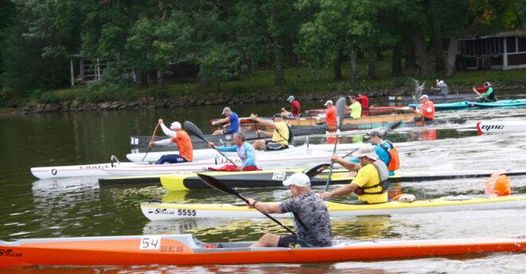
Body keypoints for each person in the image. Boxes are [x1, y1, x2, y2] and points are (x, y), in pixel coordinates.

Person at [247, 173, 332, 248]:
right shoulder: (318, 197)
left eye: (290, 187)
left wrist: (254, 203)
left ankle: (246, 256)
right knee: (287, 237)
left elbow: (269, 209)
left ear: (294, 187)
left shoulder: (296, 202)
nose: (290, 190)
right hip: (326, 242)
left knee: (267, 238)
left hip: (311, 245)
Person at [320, 144, 389, 204]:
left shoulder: (367, 170)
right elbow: (354, 167)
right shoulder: (379, 163)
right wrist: (338, 160)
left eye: (359, 158)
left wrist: (331, 194)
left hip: (370, 202)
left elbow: (351, 188)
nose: (358, 159)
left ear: (365, 158)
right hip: (382, 199)